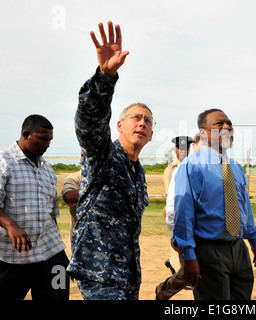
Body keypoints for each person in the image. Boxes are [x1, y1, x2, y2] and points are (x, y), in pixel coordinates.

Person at [66, 21, 154, 300]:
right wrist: (104, 78)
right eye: (136, 117)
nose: (141, 122)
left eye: (147, 120)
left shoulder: (138, 172)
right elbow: (89, 124)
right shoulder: (103, 153)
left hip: (127, 275)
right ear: (119, 125)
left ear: (151, 134)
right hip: (98, 273)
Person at [172, 108, 256, 300]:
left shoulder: (236, 168)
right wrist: (188, 257)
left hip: (239, 249)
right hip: (208, 251)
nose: (227, 127)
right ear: (204, 133)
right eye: (219, 124)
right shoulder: (192, 167)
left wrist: (254, 242)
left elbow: (245, 207)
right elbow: (184, 215)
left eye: (229, 123)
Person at [0, 114, 69, 300]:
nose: (47, 144)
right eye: (43, 138)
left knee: (59, 295)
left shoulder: (47, 168)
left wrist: (61, 254)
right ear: (25, 134)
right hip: (13, 256)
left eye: (50, 140)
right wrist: (10, 225)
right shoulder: (4, 162)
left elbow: (52, 213)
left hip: (52, 253)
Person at [156, 136, 193, 300]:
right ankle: (175, 273)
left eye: (186, 148)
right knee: (179, 249)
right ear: (176, 150)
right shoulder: (171, 170)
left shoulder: (193, 165)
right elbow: (170, 197)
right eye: (180, 148)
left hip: (191, 217)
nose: (183, 151)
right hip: (176, 213)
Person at [62, 151, 83, 250]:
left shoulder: (113, 176)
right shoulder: (74, 179)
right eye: (83, 155)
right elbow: (68, 196)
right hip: (82, 243)